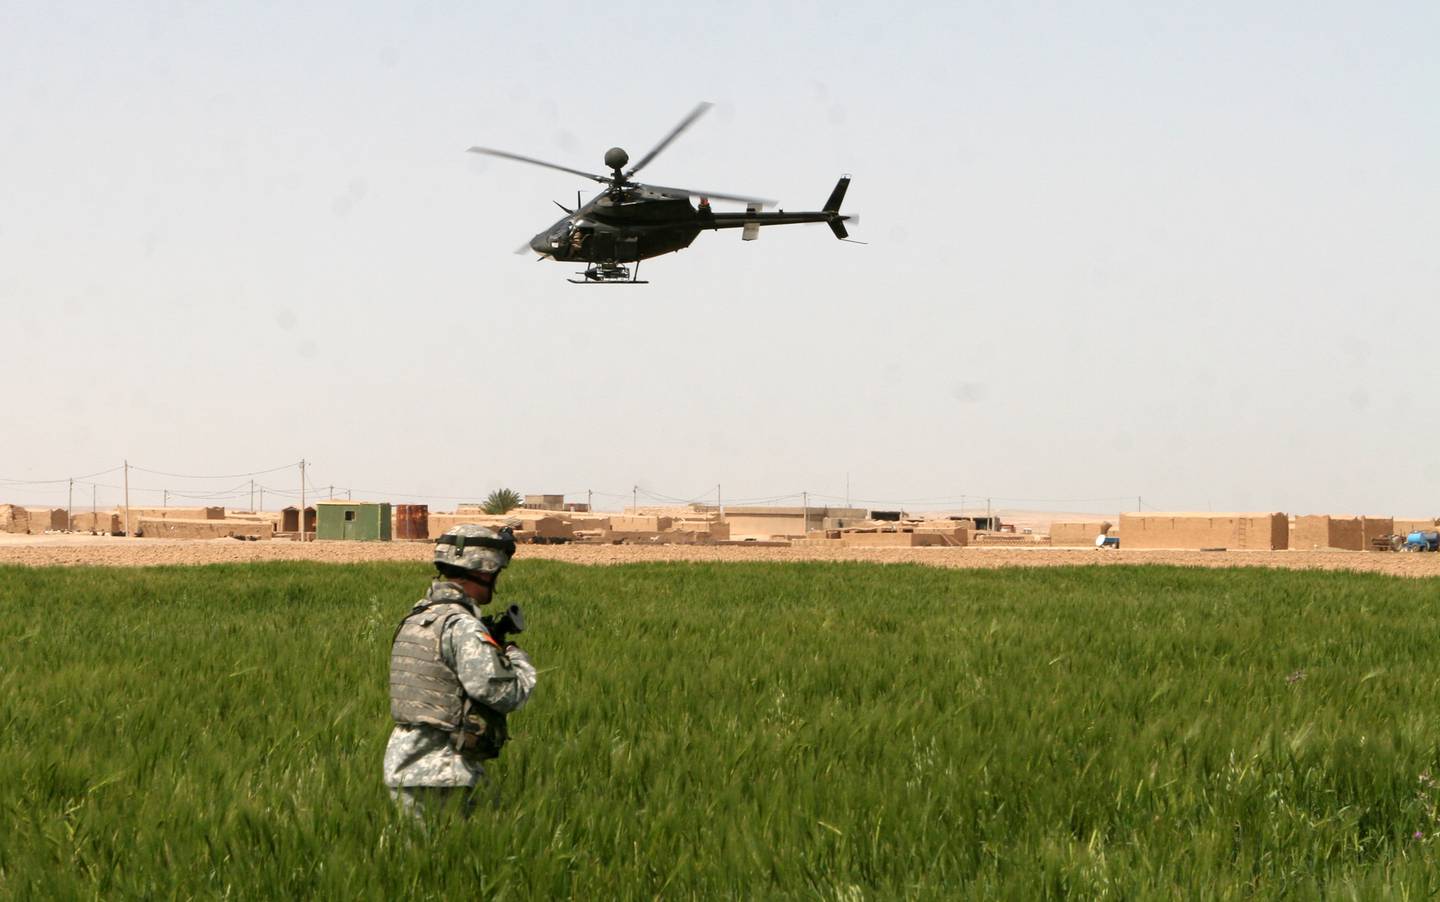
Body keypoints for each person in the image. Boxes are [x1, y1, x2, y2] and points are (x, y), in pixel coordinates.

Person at [383, 524, 537, 819]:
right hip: (445, 773)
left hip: (403, 766)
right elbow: (503, 693)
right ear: (483, 571)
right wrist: (517, 659)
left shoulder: (417, 618)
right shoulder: (462, 626)